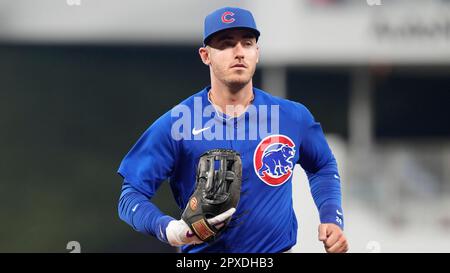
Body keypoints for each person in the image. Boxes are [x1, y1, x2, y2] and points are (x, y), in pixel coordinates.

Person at [117, 6, 348, 253]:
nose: (238, 52)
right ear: (206, 55)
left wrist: (331, 217)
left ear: (257, 53)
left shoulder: (291, 117)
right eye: (226, 44)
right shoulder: (178, 123)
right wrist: (169, 230)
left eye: (247, 43)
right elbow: (130, 197)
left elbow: (322, 165)